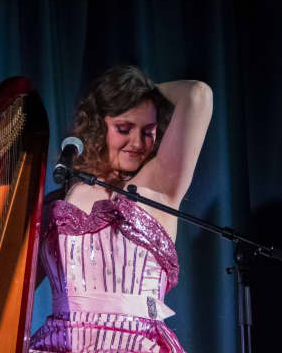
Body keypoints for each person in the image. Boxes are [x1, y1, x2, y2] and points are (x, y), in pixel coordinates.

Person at [29, 65, 213, 353]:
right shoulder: (56, 204)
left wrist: (143, 91)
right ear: (97, 126)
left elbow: (198, 95)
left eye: (149, 131)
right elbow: (12, 293)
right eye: (124, 129)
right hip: (59, 345)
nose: (138, 143)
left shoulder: (159, 185)